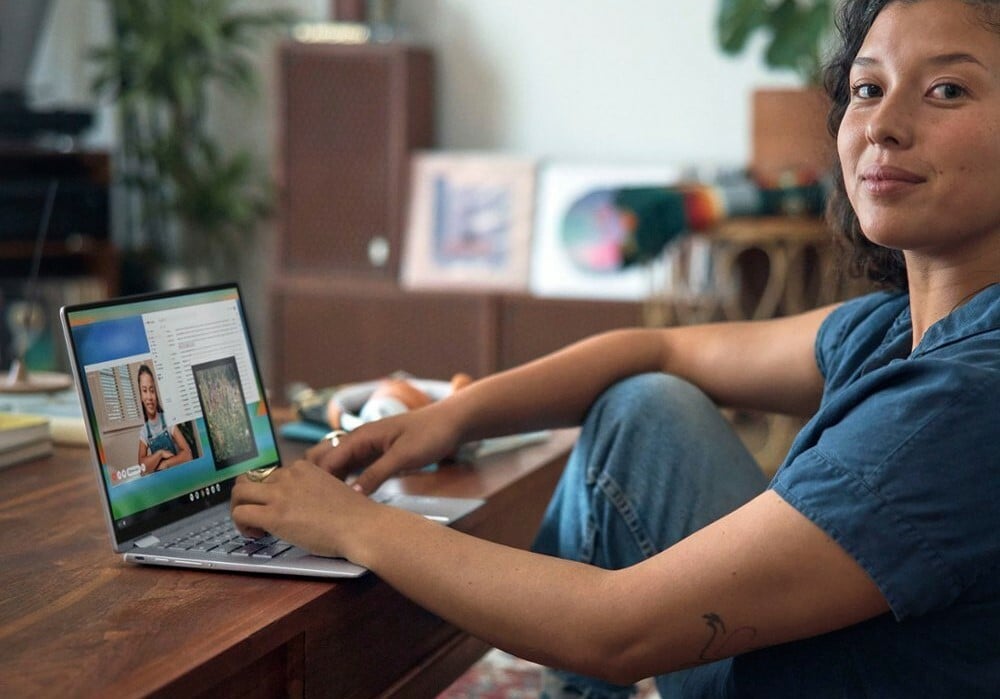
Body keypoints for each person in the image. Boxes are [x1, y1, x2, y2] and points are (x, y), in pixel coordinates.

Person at [232, 0, 1000, 695]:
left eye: (947, 91)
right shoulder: (893, 328)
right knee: (644, 402)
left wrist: (351, 523)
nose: (882, 124)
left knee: (580, 605)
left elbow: (615, 629)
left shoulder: (966, 398)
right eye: (867, 88)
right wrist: (454, 416)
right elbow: (657, 350)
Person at [137, 364, 192, 472]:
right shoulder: (144, 432)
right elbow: (142, 468)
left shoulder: (168, 419)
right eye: (144, 391)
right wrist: (160, 454)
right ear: (141, 396)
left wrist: (166, 463)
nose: (149, 397)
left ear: (156, 394)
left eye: (152, 390)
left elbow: (187, 454)